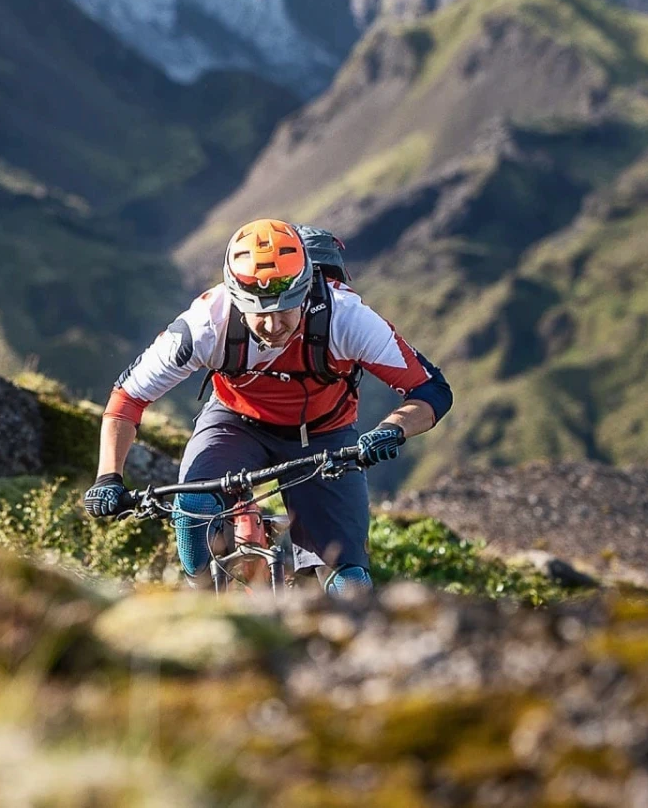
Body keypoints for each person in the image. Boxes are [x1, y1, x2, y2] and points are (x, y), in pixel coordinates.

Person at [82, 218, 452, 594]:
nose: (274, 325)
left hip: (325, 435)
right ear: (236, 300)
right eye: (260, 313)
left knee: (349, 582)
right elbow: (127, 397)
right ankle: (204, 602)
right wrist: (108, 476)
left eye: (287, 309)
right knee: (193, 507)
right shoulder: (207, 323)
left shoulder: (347, 318)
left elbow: (431, 390)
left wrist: (392, 429)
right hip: (235, 423)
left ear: (307, 289)